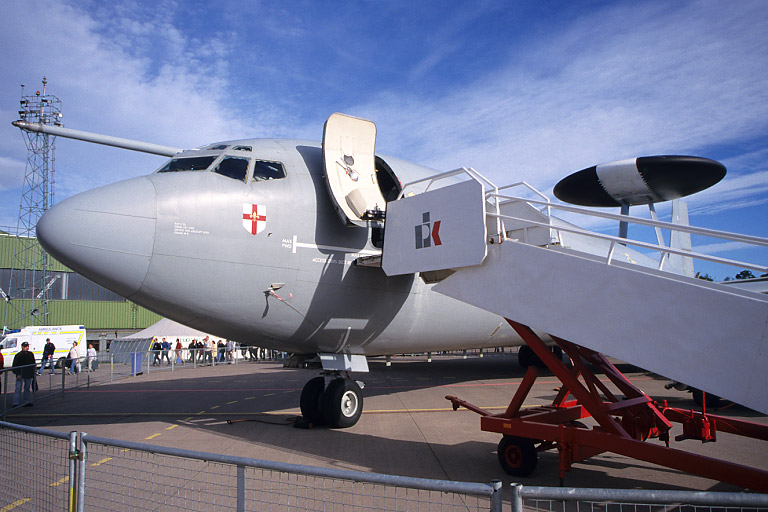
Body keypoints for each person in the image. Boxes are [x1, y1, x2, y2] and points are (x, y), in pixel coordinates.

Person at [12, 341, 36, 406]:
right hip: (20, 374)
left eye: (27, 346)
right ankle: (15, 402)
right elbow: (15, 365)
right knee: (18, 389)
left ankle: (26, 401)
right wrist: (17, 374)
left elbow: (33, 363)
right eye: (25, 346)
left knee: (27, 388)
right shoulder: (18, 355)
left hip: (28, 374)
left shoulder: (30, 354)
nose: (26, 348)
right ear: (22, 347)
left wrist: (33, 373)